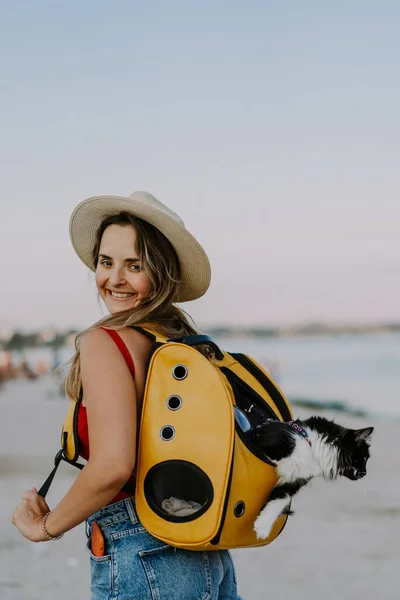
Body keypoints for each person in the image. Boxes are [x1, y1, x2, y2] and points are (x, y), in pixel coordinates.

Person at [12, 191, 242, 599]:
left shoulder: (106, 342)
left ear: (161, 273)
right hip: (205, 549)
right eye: (105, 262)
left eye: (134, 265)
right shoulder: (185, 343)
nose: (114, 278)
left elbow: (114, 467)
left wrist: (46, 527)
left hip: (142, 547)